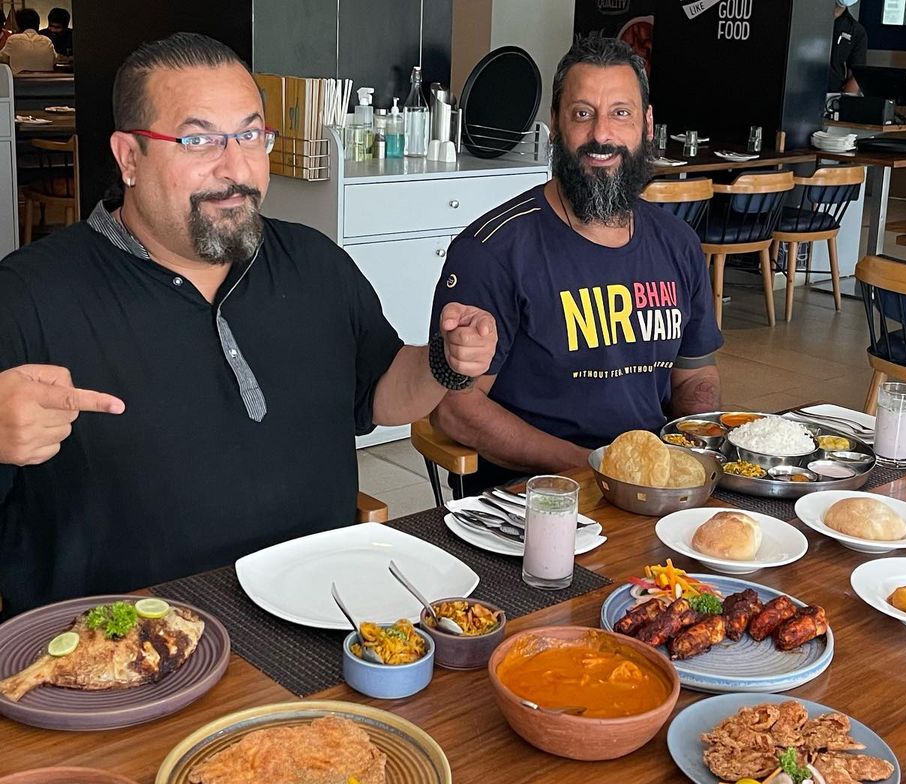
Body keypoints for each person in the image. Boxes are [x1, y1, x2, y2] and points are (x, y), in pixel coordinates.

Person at [0, 33, 496, 617]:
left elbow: (382, 392)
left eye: (250, 134)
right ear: (129, 157)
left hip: (320, 617)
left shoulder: (315, 263)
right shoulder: (29, 296)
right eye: (198, 139)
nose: (235, 168)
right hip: (123, 653)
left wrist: (444, 360)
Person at [428, 37, 723, 494]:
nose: (601, 135)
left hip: (650, 489)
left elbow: (697, 374)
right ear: (556, 127)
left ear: (647, 124)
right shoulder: (494, 250)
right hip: (535, 490)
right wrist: (594, 467)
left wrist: (686, 457)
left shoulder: (678, 244)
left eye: (620, 113)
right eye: (582, 114)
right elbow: (454, 406)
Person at [0, 9, 56, 74]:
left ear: (18, 25)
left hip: (19, 83)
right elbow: (55, 59)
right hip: (47, 83)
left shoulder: (13, 40)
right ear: (38, 25)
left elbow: (2, 58)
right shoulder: (47, 41)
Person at [829, 0, 867, 94]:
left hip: (831, 94)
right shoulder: (810, 17)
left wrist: (843, 102)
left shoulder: (856, 31)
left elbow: (855, 76)